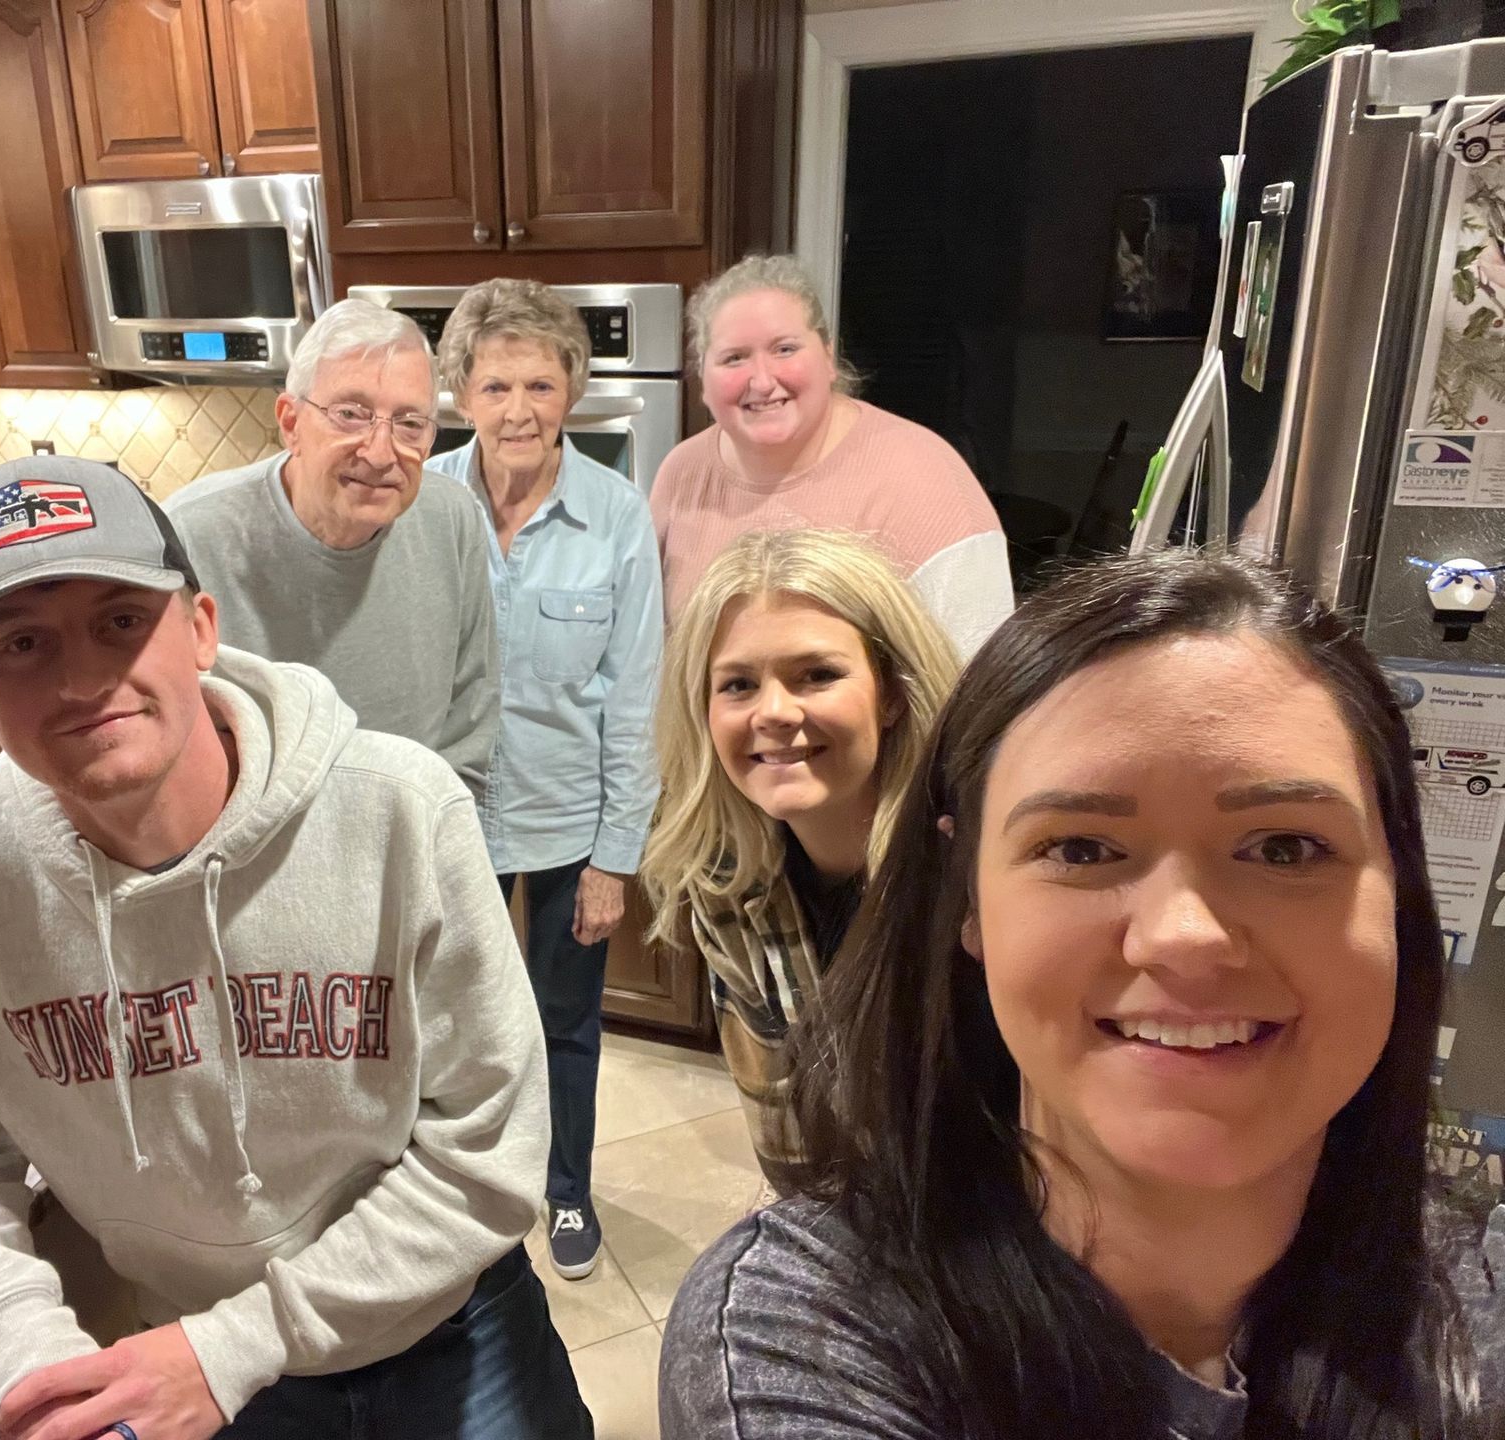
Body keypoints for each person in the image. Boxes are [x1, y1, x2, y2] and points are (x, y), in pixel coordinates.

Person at [661, 550, 1505, 1438]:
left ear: (1403, 899)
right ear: (964, 901)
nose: (1184, 935)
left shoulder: (1476, 1303)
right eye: (1083, 850)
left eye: (1285, 848)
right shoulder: (805, 1336)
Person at [0, 456, 590, 1440]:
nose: (82, 680)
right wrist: (20, 1343)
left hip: (451, 1332)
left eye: (121, 620)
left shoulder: (400, 816)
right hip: (194, 1361)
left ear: (199, 627)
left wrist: (243, 1341)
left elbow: (490, 1152)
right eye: (22, 643)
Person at [425, 279, 664, 1282]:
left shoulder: (616, 516)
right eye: (494, 385)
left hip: (571, 825)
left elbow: (636, 696)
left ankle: (566, 1191)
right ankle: (467, 1197)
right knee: (453, 1026)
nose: (518, 407)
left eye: (539, 382)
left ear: (571, 388)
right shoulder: (422, 503)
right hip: (446, 823)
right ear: (461, 395)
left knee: (564, 1023)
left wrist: (617, 858)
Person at [638, 528, 958, 1187]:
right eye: (738, 685)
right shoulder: (723, 889)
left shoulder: (970, 873)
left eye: (817, 675)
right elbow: (792, 1152)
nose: (774, 712)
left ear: (892, 693)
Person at [165, 299, 499, 798]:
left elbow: (471, 720)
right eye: (350, 414)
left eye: (409, 423)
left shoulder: (453, 519)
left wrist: (439, 840)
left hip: (412, 840)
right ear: (291, 422)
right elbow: (172, 735)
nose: (381, 452)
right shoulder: (188, 536)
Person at [649, 253, 1013, 661]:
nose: (763, 380)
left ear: (827, 357)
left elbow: (980, 687)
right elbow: (653, 656)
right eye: (734, 358)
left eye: (784, 349)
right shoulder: (681, 475)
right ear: (703, 382)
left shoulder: (926, 479)